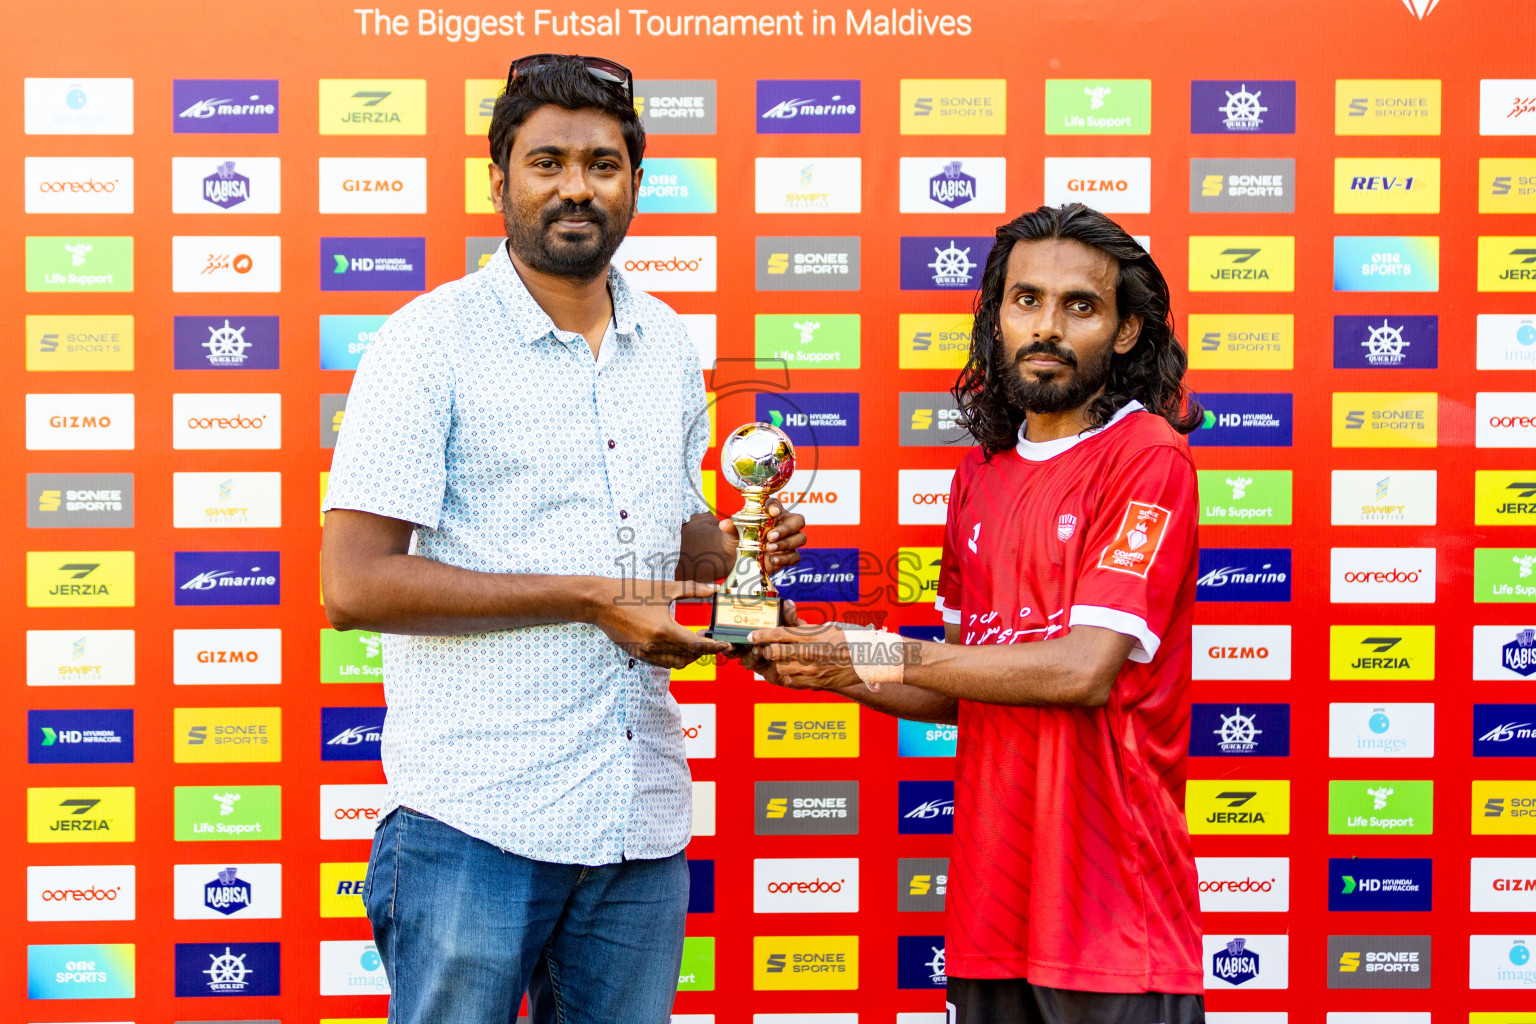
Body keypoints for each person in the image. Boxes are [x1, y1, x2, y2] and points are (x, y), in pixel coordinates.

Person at [319, 53, 806, 1024]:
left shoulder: (665, 340)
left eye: (601, 162)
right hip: (476, 818)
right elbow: (355, 585)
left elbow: (660, 543)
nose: (576, 186)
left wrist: (739, 549)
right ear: (498, 180)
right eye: (547, 162)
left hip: (638, 815)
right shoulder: (427, 341)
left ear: (635, 180)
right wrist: (592, 598)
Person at [749, 204, 1206, 1024]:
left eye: (1080, 306)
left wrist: (872, 647)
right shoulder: (979, 476)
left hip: (1113, 918)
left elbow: (1081, 671)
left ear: (1127, 332)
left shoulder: (1149, 459)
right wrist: (832, 664)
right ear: (997, 317)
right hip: (993, 913)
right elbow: (965, 687)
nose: (1047, 326)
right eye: (1026, 300)